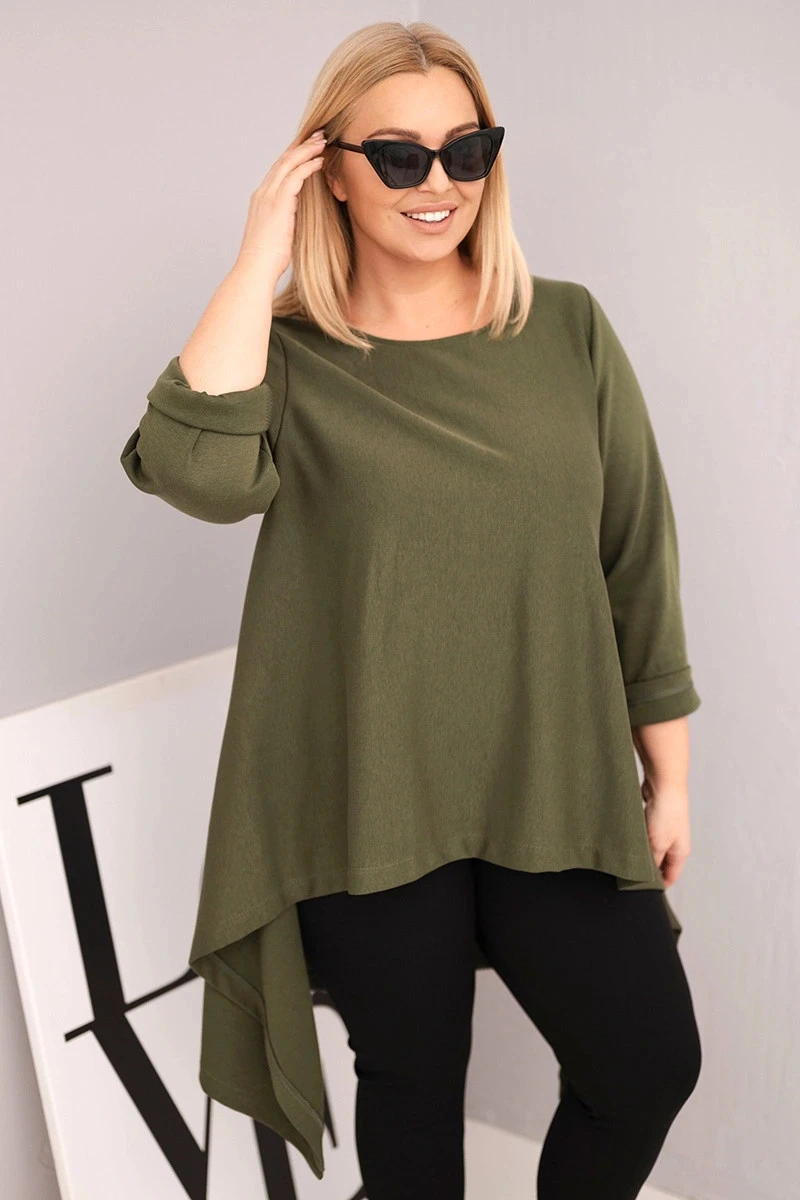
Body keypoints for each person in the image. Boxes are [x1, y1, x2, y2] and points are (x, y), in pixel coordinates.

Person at [120, 19, 703, 1199]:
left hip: (550, 773)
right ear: (327, 170)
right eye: (396, 155)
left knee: (644, 1065)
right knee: (412, 1096)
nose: (438, 183)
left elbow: (633, 557)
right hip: (366, 790)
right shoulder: (288, 357)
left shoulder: (566, 330)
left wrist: (668, 775)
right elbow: (195, 474)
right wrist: (258, 255)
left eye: (465, 150)